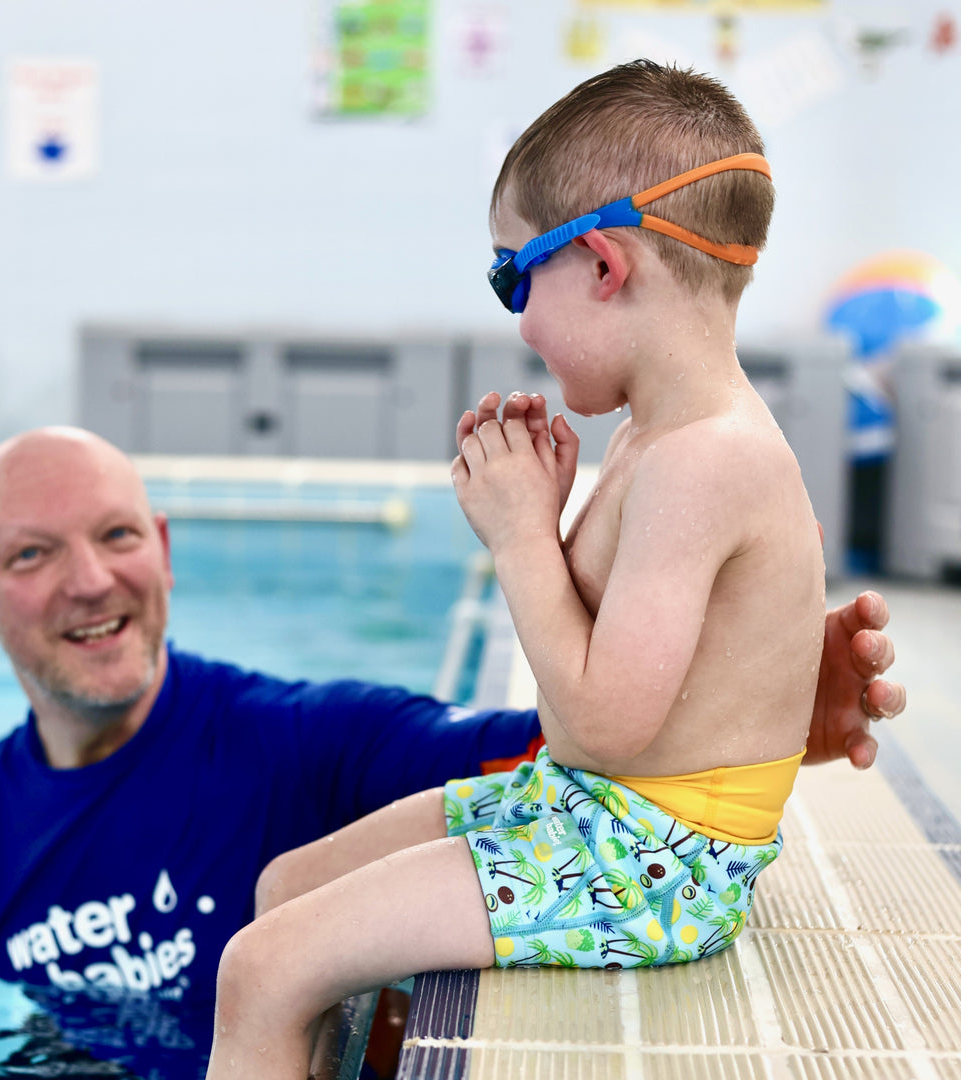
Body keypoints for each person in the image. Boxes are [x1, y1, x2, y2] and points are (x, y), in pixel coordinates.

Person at [204, 61, 896, 1078]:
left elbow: (599, 724)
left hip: (651, 863)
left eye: (511, 276)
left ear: (605, 266)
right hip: (601, 815)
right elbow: (612, 673)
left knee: (259, 970)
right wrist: (555, 513)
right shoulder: (657, 438)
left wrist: (524, 537)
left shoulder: (705, 460)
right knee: (282, 890)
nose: (517, 320)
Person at [0, 410, 901, 1048]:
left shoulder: (305, 743)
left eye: (114, 537)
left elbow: (576, 759)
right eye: (32, 557)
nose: (92, 581)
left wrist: (743, 695)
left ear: (163, 547)